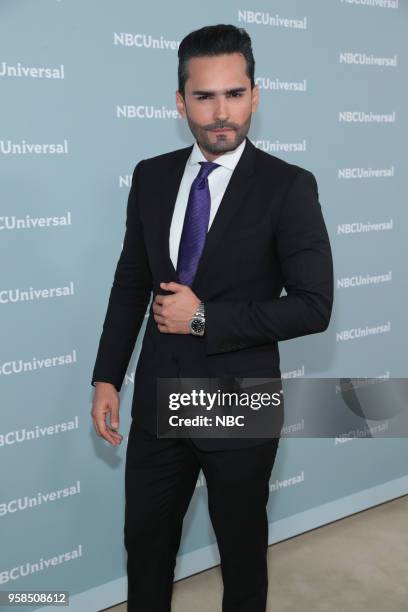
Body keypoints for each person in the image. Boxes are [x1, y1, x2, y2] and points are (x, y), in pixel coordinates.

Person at [90, 24, 333, 612]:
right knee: (146, 548)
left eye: (234, 93)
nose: (221, 112)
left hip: (238, 400)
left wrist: (204, 320)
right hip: (156, 398)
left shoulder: (288, 188)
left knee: (241, 556)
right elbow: (130, 283)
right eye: (204, 96)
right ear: (181, 101)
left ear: (255, 95)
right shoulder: (151, 176)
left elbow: (313, 306)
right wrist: (106, 376)